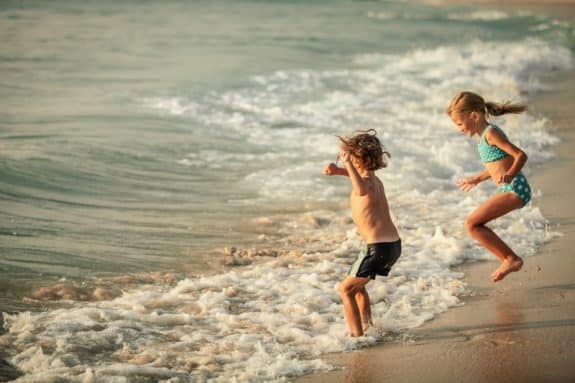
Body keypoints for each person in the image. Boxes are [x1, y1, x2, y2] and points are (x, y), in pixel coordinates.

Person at [323, 129, 401, 337]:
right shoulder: (376, 181)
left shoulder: (365, 185)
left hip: (378, 248)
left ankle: (357, 337)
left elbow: (359, 188)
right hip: (392, 245)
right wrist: (338, 171)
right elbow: (358, 179)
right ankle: (367, 326)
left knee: (345, 290)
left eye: (352, 157)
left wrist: (346, 162)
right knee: (358, 285)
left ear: (358, 159)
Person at [447, 91, 530, 283]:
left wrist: (510, 175)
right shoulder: (485, 135)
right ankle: (510, 258)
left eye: (459, 123)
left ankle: (511, 259)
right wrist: (477, 178)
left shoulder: (491, 134)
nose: (459, 129)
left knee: (471, 224)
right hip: (512, 189)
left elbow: (520, 155)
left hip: (515, 189)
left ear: (474, 116)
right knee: (474, 224)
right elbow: (497, 165)